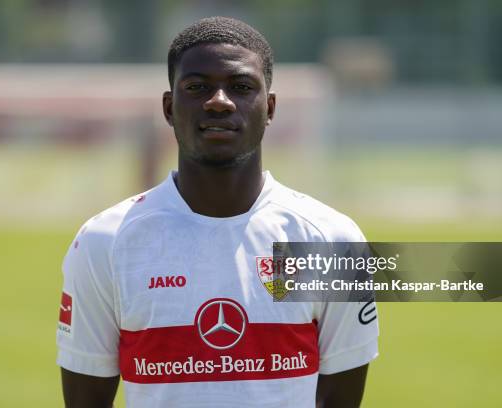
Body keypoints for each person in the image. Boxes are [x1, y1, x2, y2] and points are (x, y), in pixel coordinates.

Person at [57, 16, 379, 408]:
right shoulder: (105, 241)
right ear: (169, 107)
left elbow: (339, 395)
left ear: (270, 107)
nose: (219, 101)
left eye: (241, 87)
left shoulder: (327, 240)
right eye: (197, 87)